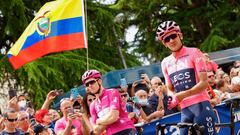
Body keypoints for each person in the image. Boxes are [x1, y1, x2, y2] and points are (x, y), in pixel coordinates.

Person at [157, 21, 216, 135]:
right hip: (185, 110)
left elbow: (204, 83)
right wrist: (171, 97)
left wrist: (182, 95)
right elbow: (169, 88)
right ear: (164, 43)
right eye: (166, 39)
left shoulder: (194, 52)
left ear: (180, 35)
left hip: (201, 105)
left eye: (173, 36)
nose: (171, 40)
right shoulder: (165, 62)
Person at [82, 69, 136, 135]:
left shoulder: (112, 92)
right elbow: (96, 130)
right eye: (87, 84)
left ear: (99, 81)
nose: (90, 85)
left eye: (92, 82)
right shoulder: (92, 105)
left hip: (125, 129)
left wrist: (99, 121)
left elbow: (114, 117)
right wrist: (108, 118)